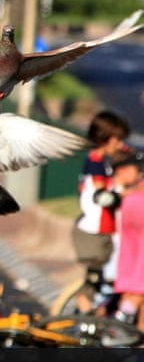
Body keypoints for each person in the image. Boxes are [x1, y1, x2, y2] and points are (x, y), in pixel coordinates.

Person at [73, 110, 132, 309]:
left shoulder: (101, 162)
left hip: (103, 229)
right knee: (94, 281)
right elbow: (103, 197)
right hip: (93, 231)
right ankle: (85, 321)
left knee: (105, 279)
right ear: (107, 138)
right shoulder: (95, 163)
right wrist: (125, 194)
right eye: (118, 140)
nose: (120, 145)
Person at [110, 150, 144, 329]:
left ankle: (126, 326)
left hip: (131, 206)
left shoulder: (129, 191)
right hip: (139, 206)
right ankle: (121, 324)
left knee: (133, 269)